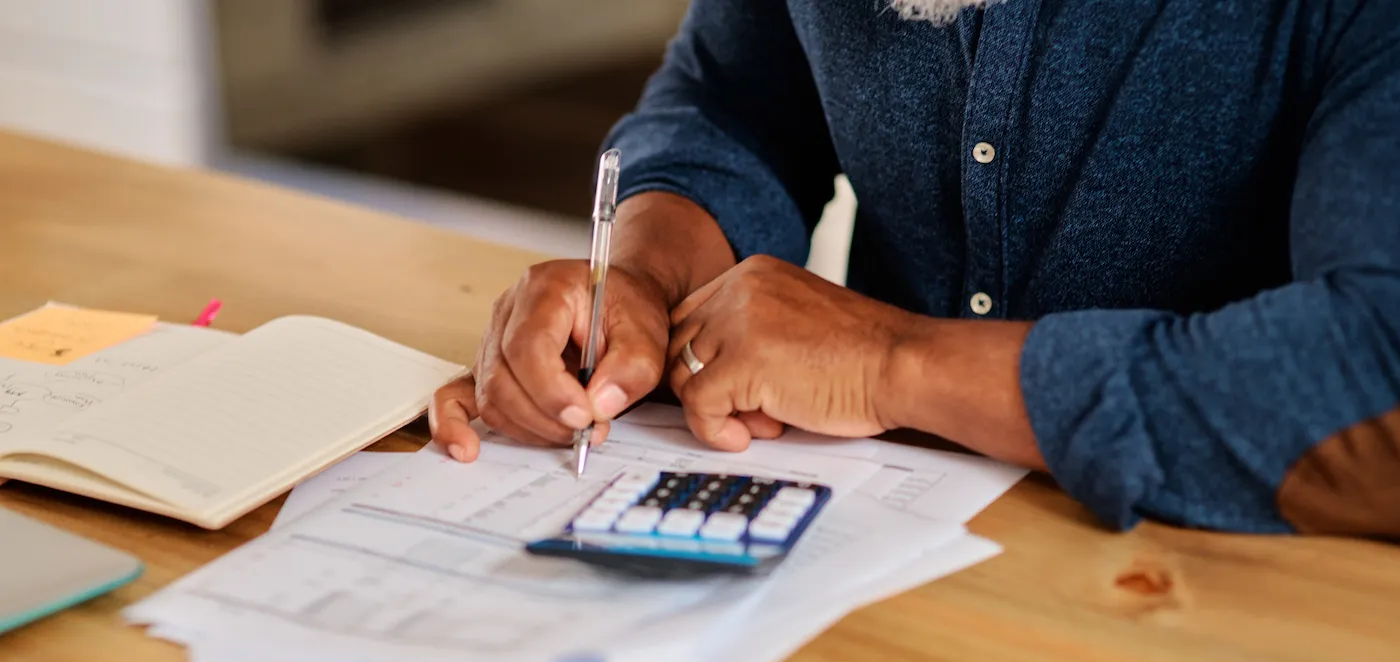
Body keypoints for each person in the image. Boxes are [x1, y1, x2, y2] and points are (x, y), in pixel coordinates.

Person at [431, 0, 1400, 539]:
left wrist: (893, 362)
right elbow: (730, 101)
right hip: (868, 557)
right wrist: (641, 275)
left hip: (1244, 609)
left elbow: (1376, 377)